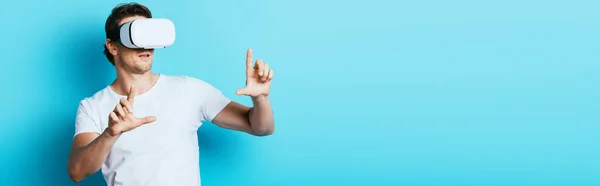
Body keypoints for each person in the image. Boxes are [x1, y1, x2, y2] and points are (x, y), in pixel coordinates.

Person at [67, 3, 275, 186]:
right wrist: (110, 134)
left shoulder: (190, 90)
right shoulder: (92, 107)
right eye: (135, 35)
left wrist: (261, 98)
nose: (145, 44)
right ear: (112, 46)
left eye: (150, 35)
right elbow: (77, 172)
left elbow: (261, 127)